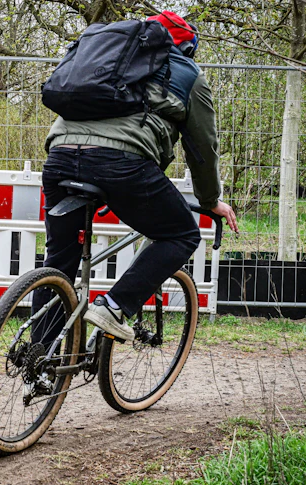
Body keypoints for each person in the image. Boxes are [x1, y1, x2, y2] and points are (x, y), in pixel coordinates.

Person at [39, 11, 239, 342]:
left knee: (59, 262)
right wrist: (209, 200)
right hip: (121, 165)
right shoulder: (188, 74)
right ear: (188, 46)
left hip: (59, 156)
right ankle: (114, 306)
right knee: (181, 235)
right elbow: (203, 148)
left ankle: (37, 358)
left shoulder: (103, 57)